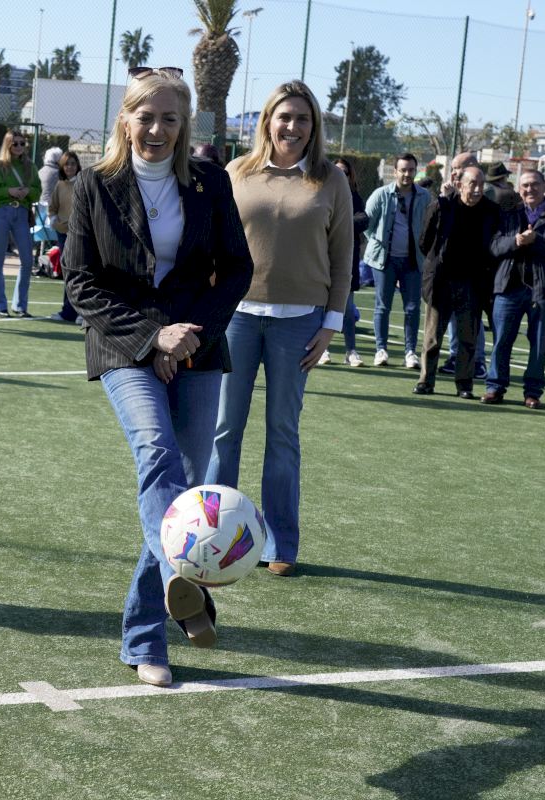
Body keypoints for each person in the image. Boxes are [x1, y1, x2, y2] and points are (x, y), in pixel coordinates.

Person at [64, 67, 253, 687]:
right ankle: (176, 593)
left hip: (197, 343)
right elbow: (81, 283)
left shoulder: (209, 181)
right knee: (157, 454)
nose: (156, 129)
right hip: (123, 344)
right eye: (145, 117)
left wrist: (188, 333)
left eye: (169, 118)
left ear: (184, 124)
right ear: (125, 119)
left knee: (186, 489)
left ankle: (149, 629)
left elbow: (237, 268)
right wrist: (152, 338)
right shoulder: (94, 184)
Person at [204, 80, 352, 578]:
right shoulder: (236, 173)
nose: (292, 126)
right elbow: (213, 247)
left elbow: (342, 258)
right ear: (268, 121)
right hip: (237, 319)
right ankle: (212, 537)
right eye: (284, 116)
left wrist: (330, 325)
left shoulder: (331, 181)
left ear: (314, 127)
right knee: (224, 430)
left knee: (283, 434)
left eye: (302, 118)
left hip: (301, 324)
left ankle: (279, 542)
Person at [413, 166, 500, 398]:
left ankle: (464, 385)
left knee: (468, 338)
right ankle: (425, 381)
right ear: (460, 185)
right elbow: (425, 241)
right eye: (472, 184)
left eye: (481, 184)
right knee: (432, 337)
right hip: (441, 281)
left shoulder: (491, 210)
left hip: (473, 284)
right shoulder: (443, 205)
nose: (478, 189)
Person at [484, 169, 545, 408]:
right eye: (525, 185)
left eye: (535, 184)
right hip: (508, 286)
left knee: (539, 343)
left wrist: (536, 241)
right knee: (501, 340)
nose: (530, 189)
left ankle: (533, 392)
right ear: (518, 189)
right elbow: (494, 246)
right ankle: (495, 387)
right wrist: (515, 241)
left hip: (541, 288)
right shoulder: (508, 213)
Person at [363, 153, 431, 369]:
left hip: (413, 261)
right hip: (385, 261)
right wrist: (379, 244)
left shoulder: (425, 197)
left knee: (413, 308)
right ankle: (381, 350)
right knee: (382, 306)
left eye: (411, 170)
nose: (407, 174)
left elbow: (431, 225)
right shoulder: (380, 195)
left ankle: (410, 352)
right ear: (395, 172)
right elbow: (367, 225)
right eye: (403, 170)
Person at [319, 157, 368, 367]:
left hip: (345, 263)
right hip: (320, 262)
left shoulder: (354, 197)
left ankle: (351, 351)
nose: (340, 175)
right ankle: (322, 349)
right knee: (320, 306)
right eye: (336, 170)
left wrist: (341, 224)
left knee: (347, 309)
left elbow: (363, 219)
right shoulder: (320, 193)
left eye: (345, 172)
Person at [0, 130, 42, 317]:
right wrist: (8, 191)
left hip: (22, 213)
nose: (19, 147)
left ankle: (20, 305)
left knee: (27, 260)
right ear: (8, 144)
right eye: (15, 143)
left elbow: (38, 191)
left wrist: (28, 192)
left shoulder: (30, 166)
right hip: (2, 212)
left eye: (22, 143)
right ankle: (0, 306)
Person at [47, 150, 81, 323]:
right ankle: (68, 312)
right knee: (67, 272)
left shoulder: (83, 183)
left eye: (73, 164)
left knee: (79, 273)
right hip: (62, 234)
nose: (70, 167)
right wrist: (54, 220)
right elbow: (52, 207)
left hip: (80, 234)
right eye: (66, 164)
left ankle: (81, 312)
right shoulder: (60, 185)